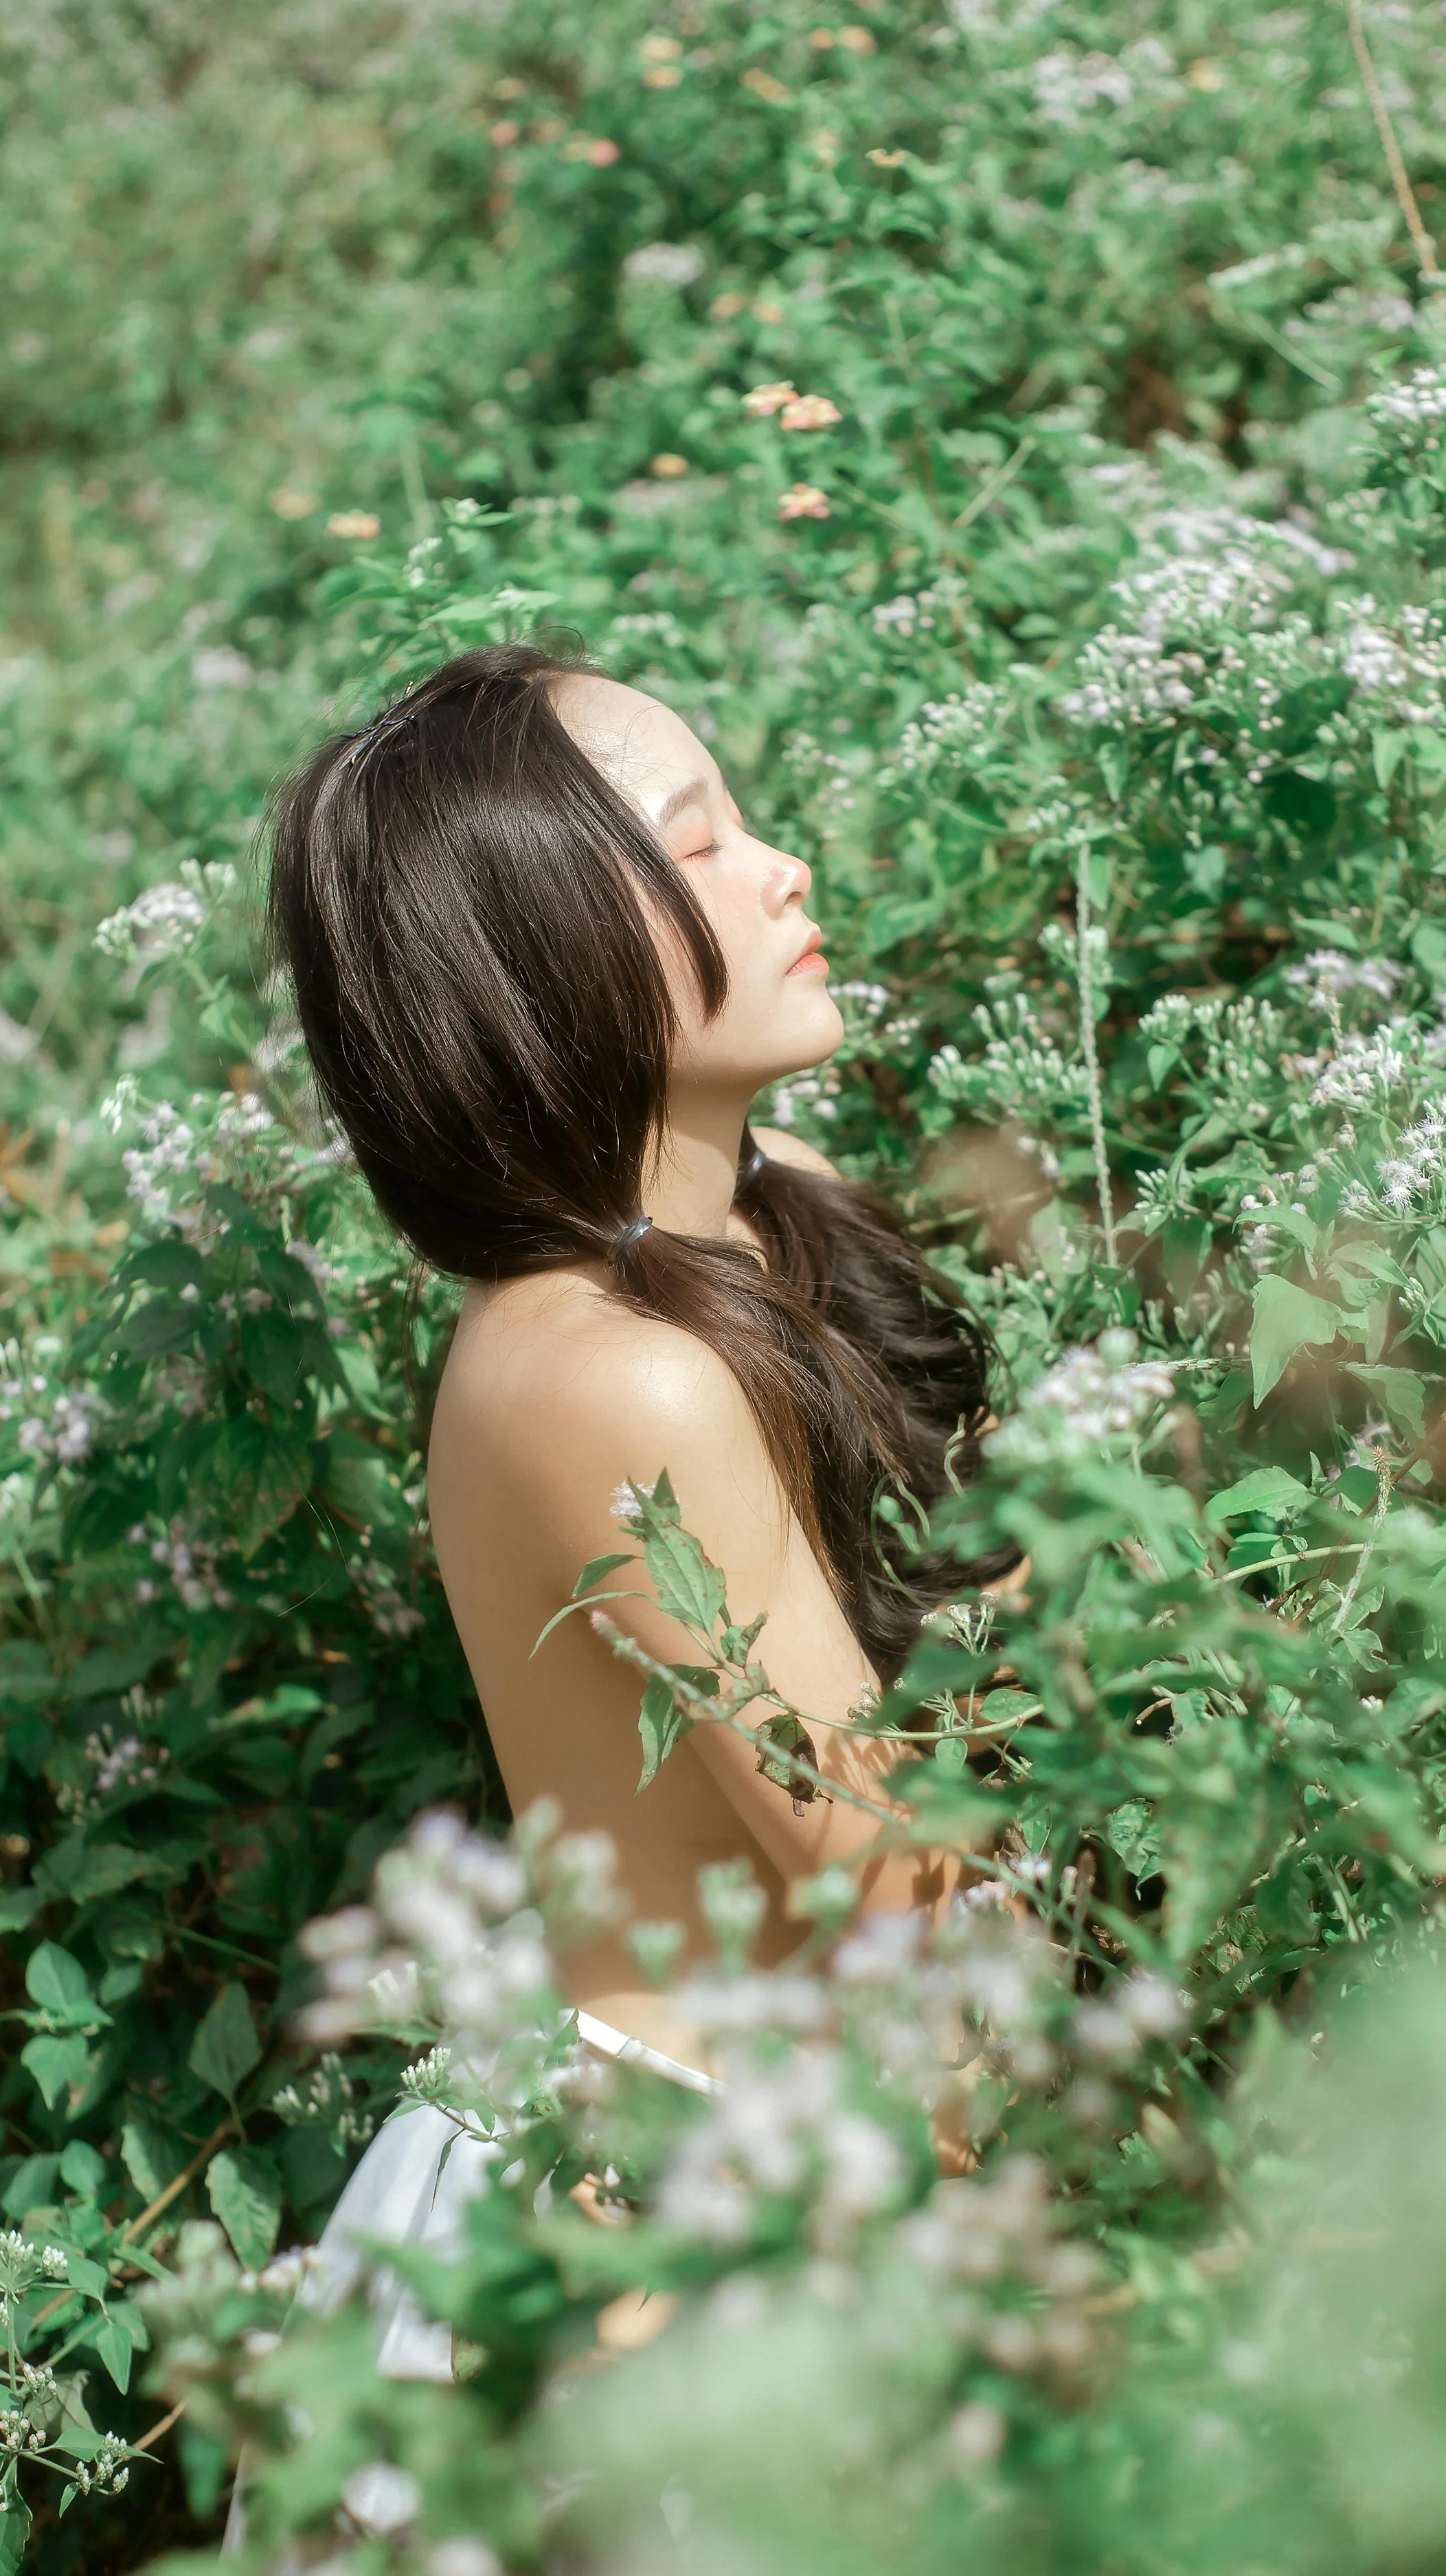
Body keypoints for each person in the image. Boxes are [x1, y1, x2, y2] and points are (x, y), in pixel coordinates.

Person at [260, 642, 1017, 2390]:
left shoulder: (757, 1223)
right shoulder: (611, 1371)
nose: (781, 868)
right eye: (697, 848)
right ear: (537, 960)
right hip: (677, 2219)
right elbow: (889, 1879)